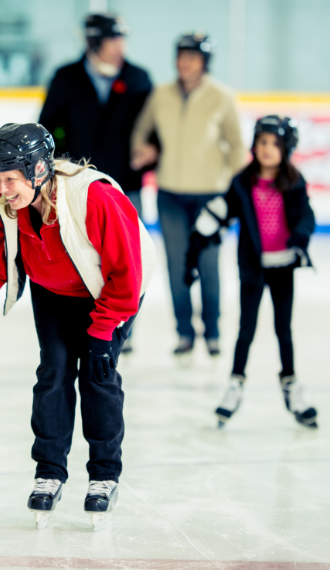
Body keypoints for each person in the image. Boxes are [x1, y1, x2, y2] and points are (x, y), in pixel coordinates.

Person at [0, 123, 156, 531]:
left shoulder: (94, 197)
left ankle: (103, 476)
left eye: (10, 179)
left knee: (96, 376)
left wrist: (102, 332)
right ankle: (49, 471)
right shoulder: (5, 210)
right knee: (54, 373)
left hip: (111, 292)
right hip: (55, 293)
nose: (3, 189)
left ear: (39, 169)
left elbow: (126, 273)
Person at [185, 115, 318, 428]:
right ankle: (235, 383)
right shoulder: (242, 182)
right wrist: (195, 247)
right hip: (253, 269)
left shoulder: (295, 182)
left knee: (284, 331)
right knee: (246, 330)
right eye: (262, 142)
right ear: (253, 146)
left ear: (287, 148)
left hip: (283, 265)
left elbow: (306, 216)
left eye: (275, 143)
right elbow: (220, 211)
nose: (267, 149)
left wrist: (301, 234)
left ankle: (291, 385)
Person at [39, 14, 153, 352]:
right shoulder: (66, 78)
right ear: (93, 42)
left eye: (123, 39)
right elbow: (47, 129)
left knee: (127, 257)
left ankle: (122, 324)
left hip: (124, 187)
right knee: (79, 253)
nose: (121, 47)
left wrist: (153, 150)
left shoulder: (138, 78)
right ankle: (83, 322)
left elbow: (154, 129)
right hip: (75, 187)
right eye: (113, 40)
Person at [131, 31, 245, 361]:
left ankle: (212, 331)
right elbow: (142, 130)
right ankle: (184, 332)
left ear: (204, 62)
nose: (185, 62)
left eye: (192, 57)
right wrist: (144, 150)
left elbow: (237, 146)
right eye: (181, 56)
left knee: (208, 265)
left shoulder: (222, 97)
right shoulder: (161, 94)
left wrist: (233, 190)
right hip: (170, 194)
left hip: (211, 195)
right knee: (177, 265)